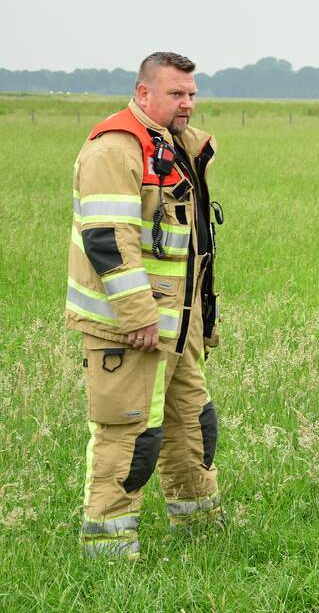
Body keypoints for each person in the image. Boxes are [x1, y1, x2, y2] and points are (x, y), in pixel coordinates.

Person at [67, 52, 225, 559]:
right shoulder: (116, 147)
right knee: (129, 434)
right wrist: (137, 317)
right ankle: (108, 552)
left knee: (192, 425)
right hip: (129, 327)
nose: (188, 103)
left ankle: (201, 537)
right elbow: (108, 240)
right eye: (176, 93)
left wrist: (201, 319)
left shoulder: (175, 146)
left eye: (192, 93)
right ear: (143, 93)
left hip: (180, 326)